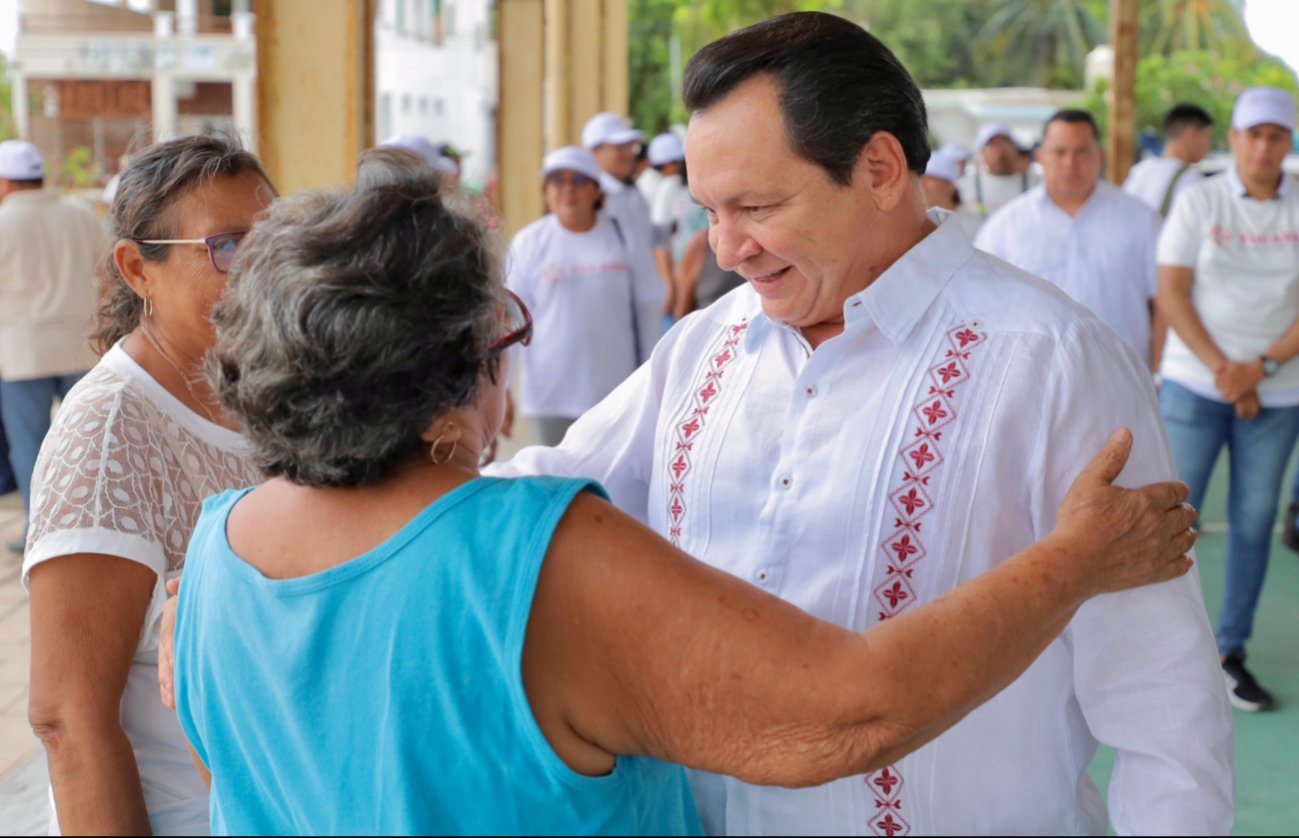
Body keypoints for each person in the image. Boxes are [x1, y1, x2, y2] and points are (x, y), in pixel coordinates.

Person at [163, 154, 1197, 837]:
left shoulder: (213, 559)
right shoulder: (536, 556)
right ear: (454, 373)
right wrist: (1077, 560)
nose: (736, 242)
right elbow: (851, 716)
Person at [491, 13, 1233, 835]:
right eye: (708, 210)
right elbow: (543, 491)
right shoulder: (704, 347)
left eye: (756, 205)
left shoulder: (1052, 361)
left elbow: (1163, 710)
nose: (726, 248)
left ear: (879, 168)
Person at [24, 134, 275, 835]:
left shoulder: (264, 386)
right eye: (226, 247)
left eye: (273, 239)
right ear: (138, 270)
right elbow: (68, 719)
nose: (260, 272)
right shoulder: (109, 433)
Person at [1157, 86, 1299, 713]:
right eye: (1254, 134)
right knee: (1167, 520)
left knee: (1252, 524)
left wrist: (1261, 367)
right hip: (1197, 382)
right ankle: (1158, 652)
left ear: (1288, 143)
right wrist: (1227, 372)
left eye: (1277, 135)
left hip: (1279, 389)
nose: (1264, 146)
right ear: (1234, 140)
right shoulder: (1200, 199)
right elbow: (1173, 292)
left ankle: (1229, 653)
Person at [976, 110, 1163, 369]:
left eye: (1082, 151)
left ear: (1100, 155)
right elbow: (981, 305)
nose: (1070, 162)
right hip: (1032, 380)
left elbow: (1163, 302)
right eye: (1059, 152)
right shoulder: (1005, 226)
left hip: (1122, 378)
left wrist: (1157, 373)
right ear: (1040, 156)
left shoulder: (1140, 219)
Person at [505, 147, 659, 446]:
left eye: (578, 180)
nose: (568, 190)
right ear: (546, 190)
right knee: (556, 486)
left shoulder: (623, 236)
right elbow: (510, 319)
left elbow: (648, 306)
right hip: (551, 396)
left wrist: (652, 377)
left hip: (615, 394)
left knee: (609, 490)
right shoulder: (529, 243)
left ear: (595, 190)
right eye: (557, 181)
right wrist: (504, 388)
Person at [0, 140, 103, 553]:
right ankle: (96, 524)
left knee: (30, 443)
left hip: (23, 350)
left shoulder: (3, 221)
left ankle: (38, 531)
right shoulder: (80, 215)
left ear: (6, 180)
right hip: (81, 343)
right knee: (90, 440)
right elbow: (107, 269)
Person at [583, 112, 673, 324]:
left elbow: (647, 239)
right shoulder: (594, 198)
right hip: (614, 305)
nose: (627, 154)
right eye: (618, 147)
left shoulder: (632, 191)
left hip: (646, 301)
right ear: (595, 151)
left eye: (628, 147)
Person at [1124, 104, 1214, 219]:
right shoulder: (1191, 179)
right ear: (1191, 135)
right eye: (1207, 137)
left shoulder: (1139, 172)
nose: (1208, 146)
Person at [958, 122, 1040, 221]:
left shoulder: (1038, 184)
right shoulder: (963, 187)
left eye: (1005, 143)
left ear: (1015, 148)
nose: (999, 150)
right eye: (992, 145)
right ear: (982, 152)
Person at [919, 151, 981, 238]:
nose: (922, 184)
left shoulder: (974, 226)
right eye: (920, 178)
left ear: (950, 185)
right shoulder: (918, 226)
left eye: (929, 178)